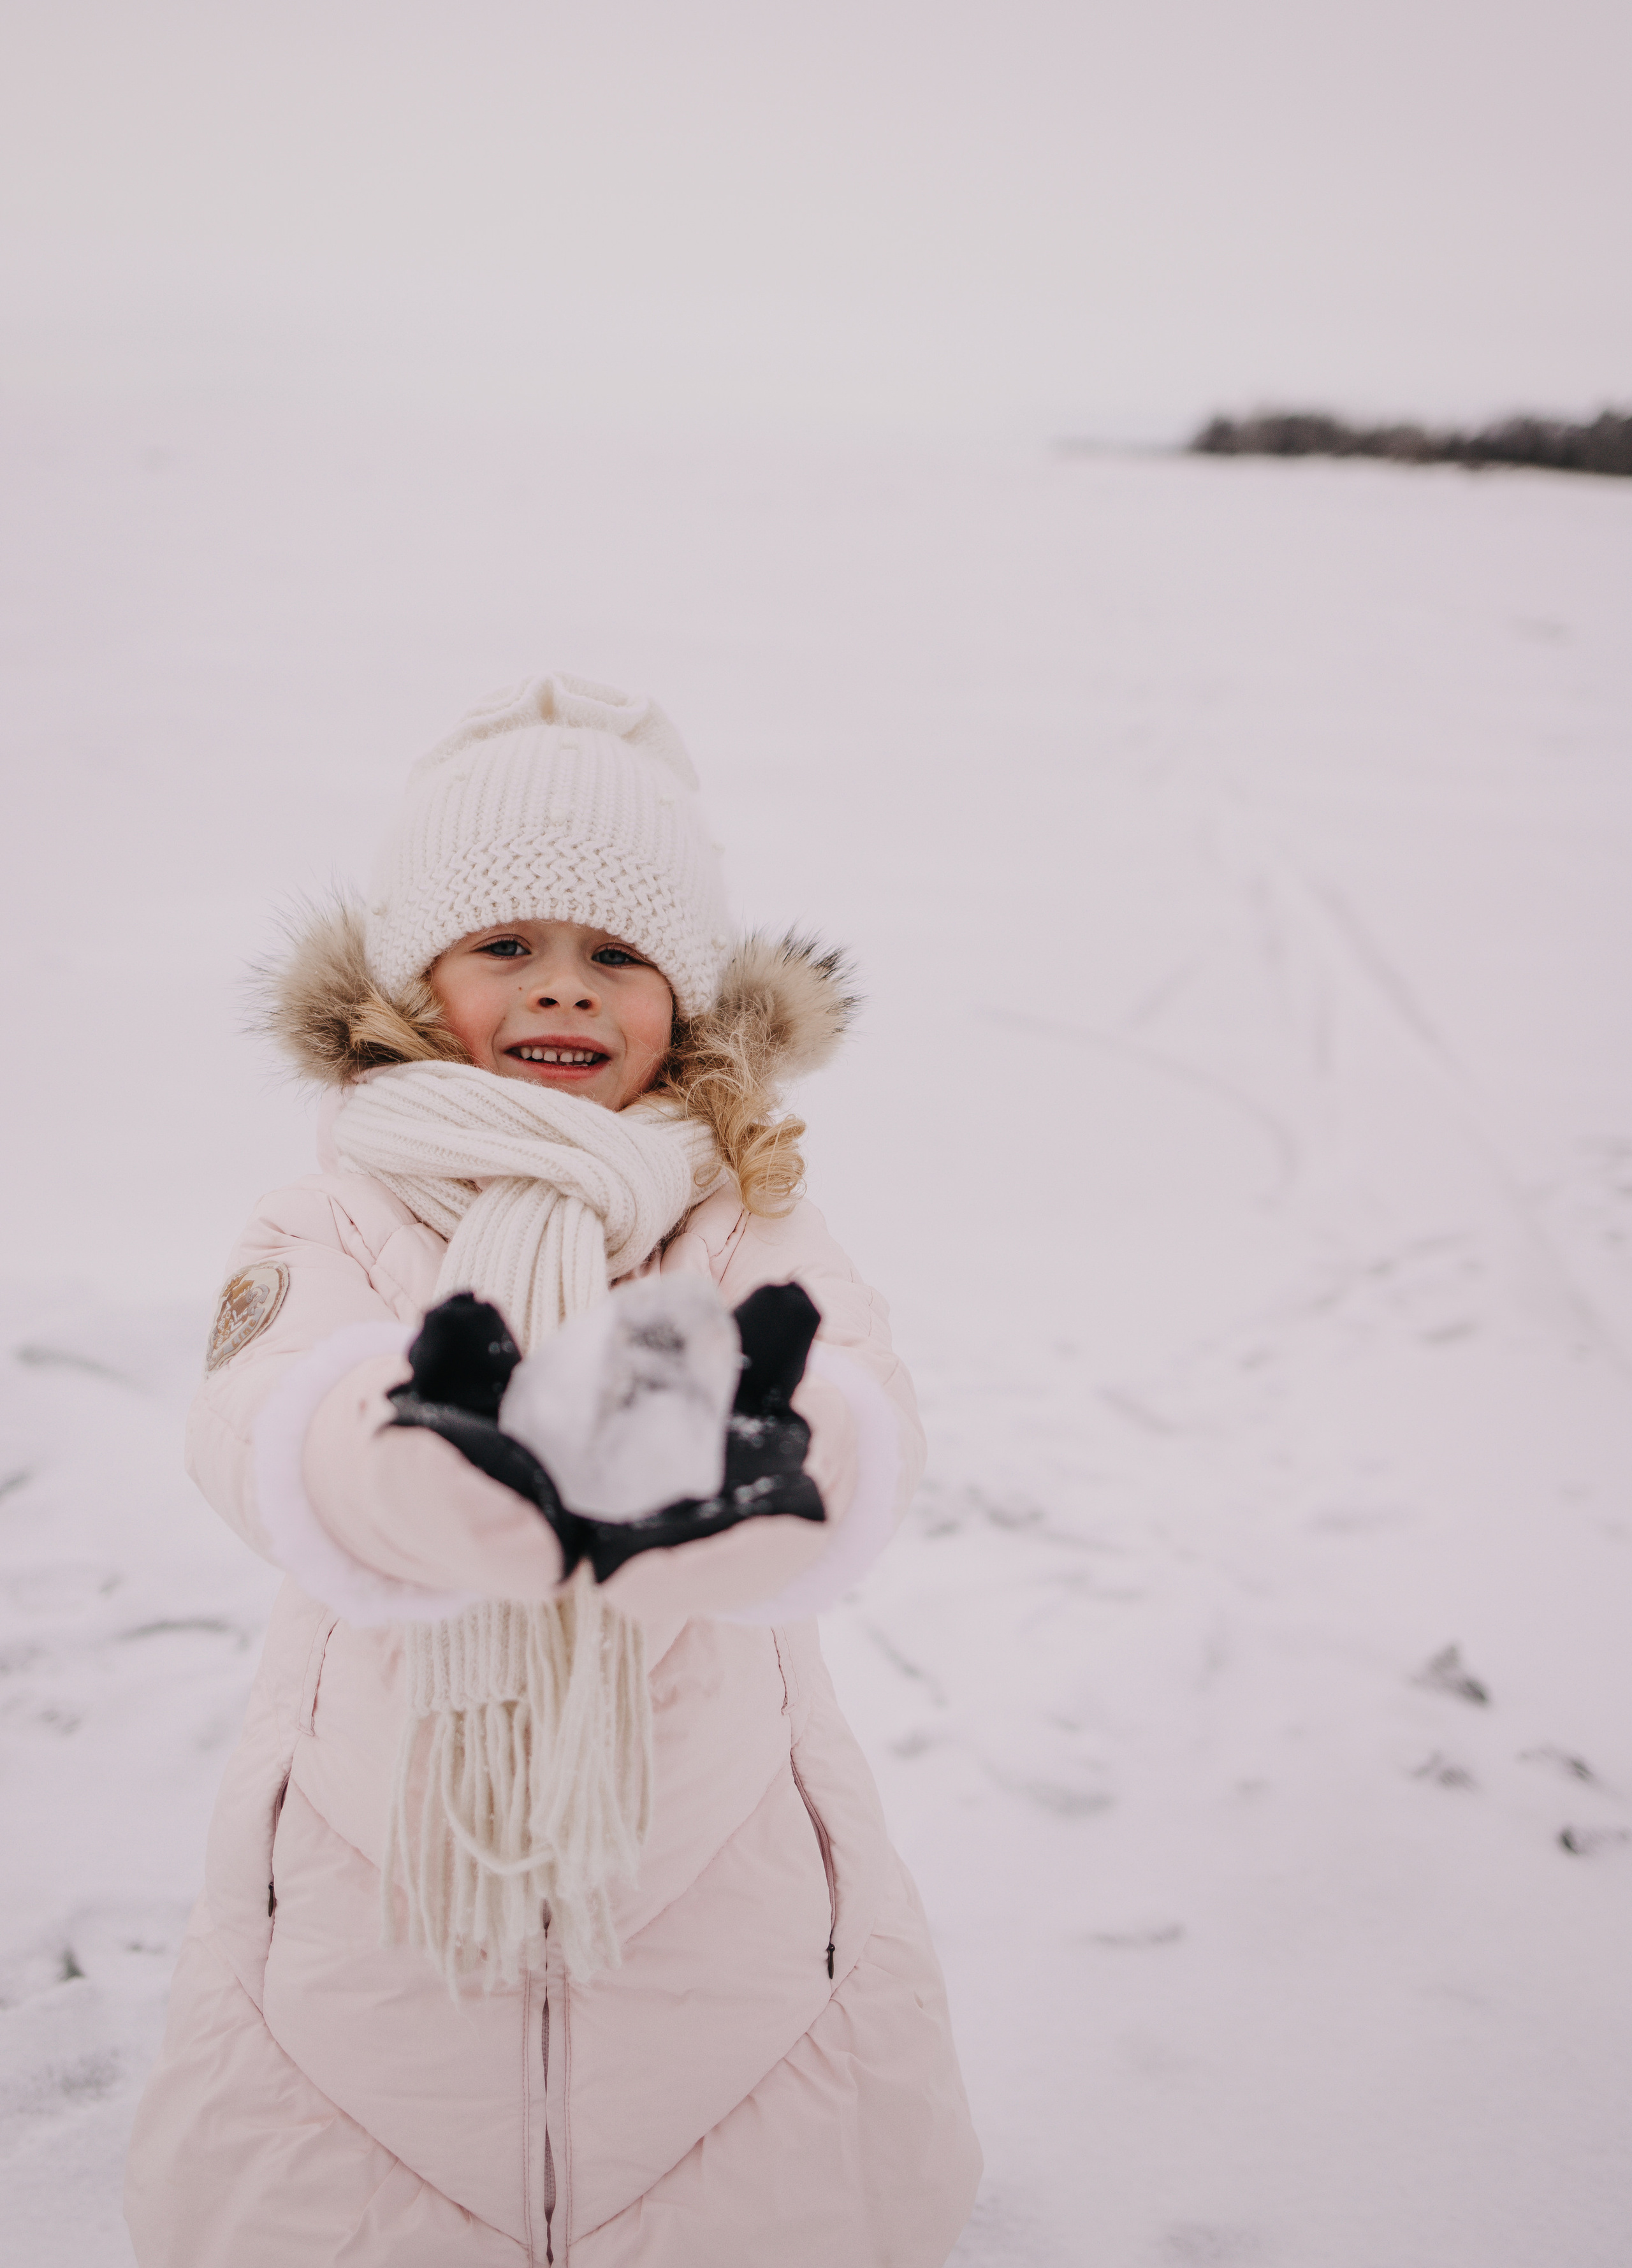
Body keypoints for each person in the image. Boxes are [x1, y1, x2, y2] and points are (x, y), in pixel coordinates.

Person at [124, 671, 982, 2267]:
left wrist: (785, 1466)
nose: (563, 993)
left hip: (712, 1862)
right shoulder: (335, 1212)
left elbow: (861, 1395)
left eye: (617, 955)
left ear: (690, 994)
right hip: (374, 1876)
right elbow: (253, 1411)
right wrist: (393, 1467)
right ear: (410, 980)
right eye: (505, 947)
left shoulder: (736, 1207)